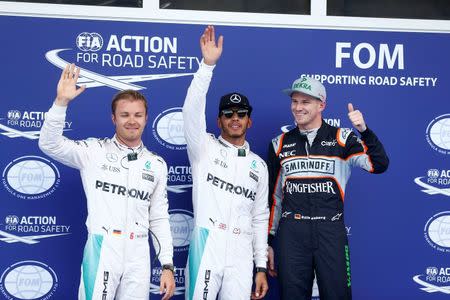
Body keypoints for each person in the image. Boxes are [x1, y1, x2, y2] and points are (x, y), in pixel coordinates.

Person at [39, 64, 175, 300]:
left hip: (139, 253)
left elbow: (159, 217)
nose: (131, 121)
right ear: (114, 118)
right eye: (125, 115)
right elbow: (49, 144)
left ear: (146, 118)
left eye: (137, 115)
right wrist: (61, 103)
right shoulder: (94, 151)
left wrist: (167, 265)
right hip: (103, 248)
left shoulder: (157, 164)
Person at [267, 76, 389, 299]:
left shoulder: (343, 138)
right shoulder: (279, 143)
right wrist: (269, 242)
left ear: (321, 105)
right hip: (292, 232)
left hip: (330, 231)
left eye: (305, 102)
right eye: (294, 101)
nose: (298, 107)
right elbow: (273, 198)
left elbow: (378, 165)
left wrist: (364, 130)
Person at [182, 26, 269, 300]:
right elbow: (191, 110)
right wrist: (207, 66)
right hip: (208, 243)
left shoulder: (259, 166)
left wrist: (261, 266)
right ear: (219, 120)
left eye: (241, 113)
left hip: (242, 251)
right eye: (228, 113)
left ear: (248, 121)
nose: (235, 117)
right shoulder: (203, 147)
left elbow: (259, 218)